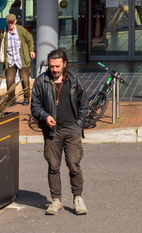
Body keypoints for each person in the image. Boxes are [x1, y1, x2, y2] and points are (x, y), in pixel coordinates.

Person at [29, 49, 87, 216]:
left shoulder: (75, 80)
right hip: (51, 131)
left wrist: (79, 125)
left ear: (64, 64)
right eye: (51, 66)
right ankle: (56, 200)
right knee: (53, 166)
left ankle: (78, 198)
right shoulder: (41, 81)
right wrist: (45, 116)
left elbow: (83, 105)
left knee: (73, 165)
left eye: (57, 66)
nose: (54, 69)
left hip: (71, 129)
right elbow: (35, 106)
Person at [0, 14, 36, 105]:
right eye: (8, 22)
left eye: (12, 22)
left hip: (22, 59)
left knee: (25, 79)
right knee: (10, 80)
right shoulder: (4, 31)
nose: (10, 24)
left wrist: (31, 50)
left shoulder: (21, 30)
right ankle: (11, 99)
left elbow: (30, 39)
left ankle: (26, 98)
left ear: (15, 22)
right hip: (10, 60)